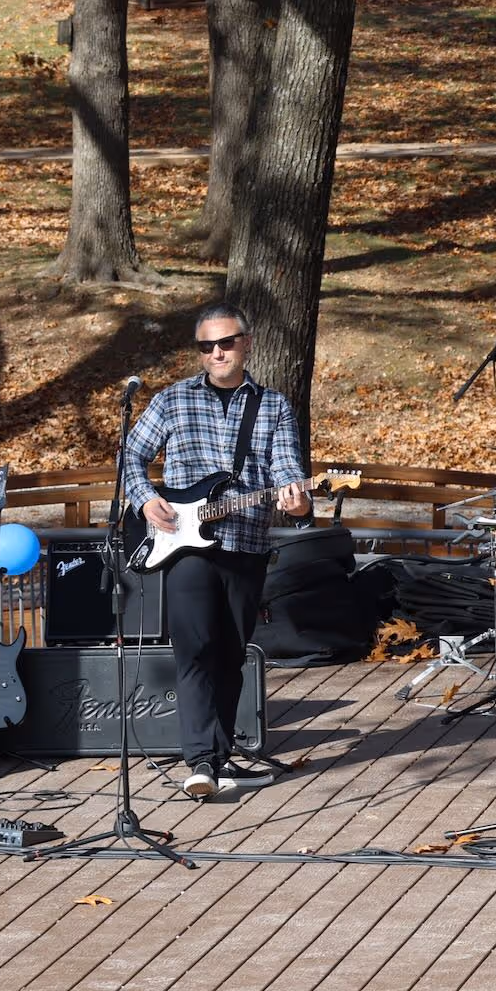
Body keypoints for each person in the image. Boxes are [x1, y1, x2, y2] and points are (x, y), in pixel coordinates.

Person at [122, 303, 311, 800]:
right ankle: (199, 761)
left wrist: (298, 502)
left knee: (231, 654)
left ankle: (220, 756)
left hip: (244, 543)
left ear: (246, 343)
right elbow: (131, 456)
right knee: (196, 648)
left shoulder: (272, 406)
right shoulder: (171, 400)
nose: (217, 353)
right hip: (184, 547)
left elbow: (288, 472)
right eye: (207, 346)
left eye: (226, 343)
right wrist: (145, 499)